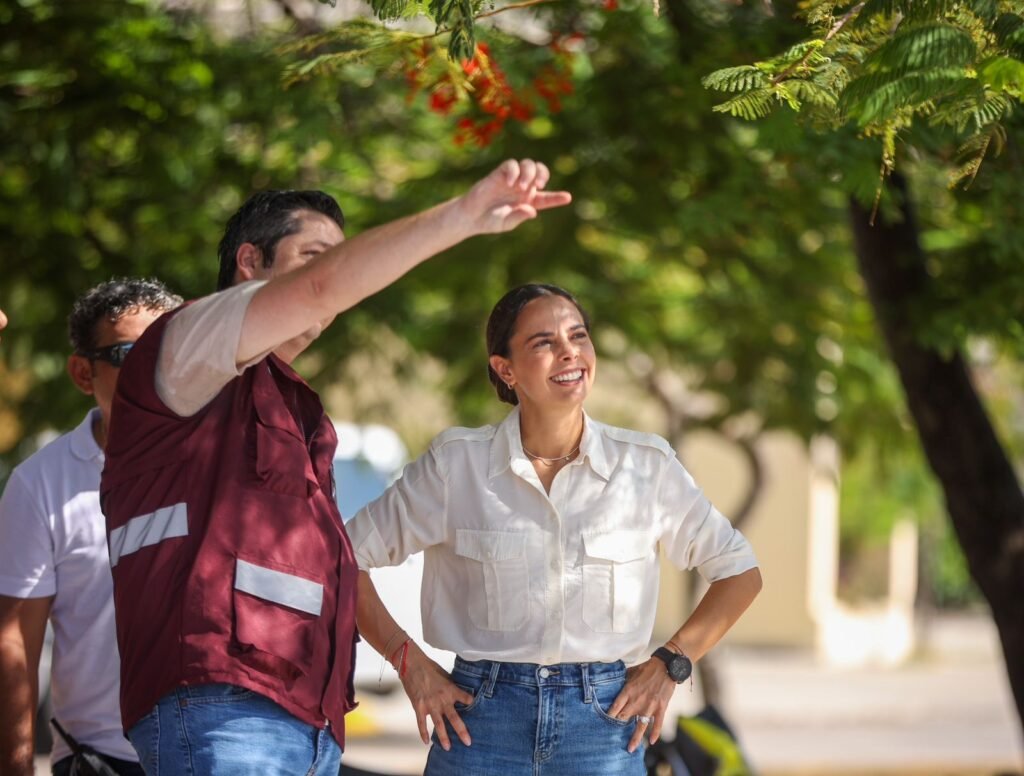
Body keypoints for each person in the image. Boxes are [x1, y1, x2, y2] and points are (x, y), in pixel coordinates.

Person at [99, 160, 571, 775]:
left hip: (303, 719)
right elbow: (322, 288)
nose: (333, 277)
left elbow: (335, 572)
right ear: (250, 263)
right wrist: (462, 217)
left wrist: (410, 663)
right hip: (223, 704)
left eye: (335, 259)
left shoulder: (293, 406)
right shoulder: (185, 346)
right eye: (313, 255)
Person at [347, 283, 763, 775]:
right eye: (543, 342)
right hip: (478, 726)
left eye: (578, 335)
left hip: (606, 727)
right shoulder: (454, 466)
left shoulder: (645, 467)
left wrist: (670, 664)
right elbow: (342, 557)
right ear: (505, 369)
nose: (569, 351)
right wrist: (409, 664)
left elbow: (740, 573)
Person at [0, 279, 183, 776]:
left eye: (168, 346)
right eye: (130, 353)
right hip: (100, 759)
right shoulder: (40, 483)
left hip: (216, 752)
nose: (153, 366)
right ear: (83, 373)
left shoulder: (222, 461)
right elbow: (15, 641)